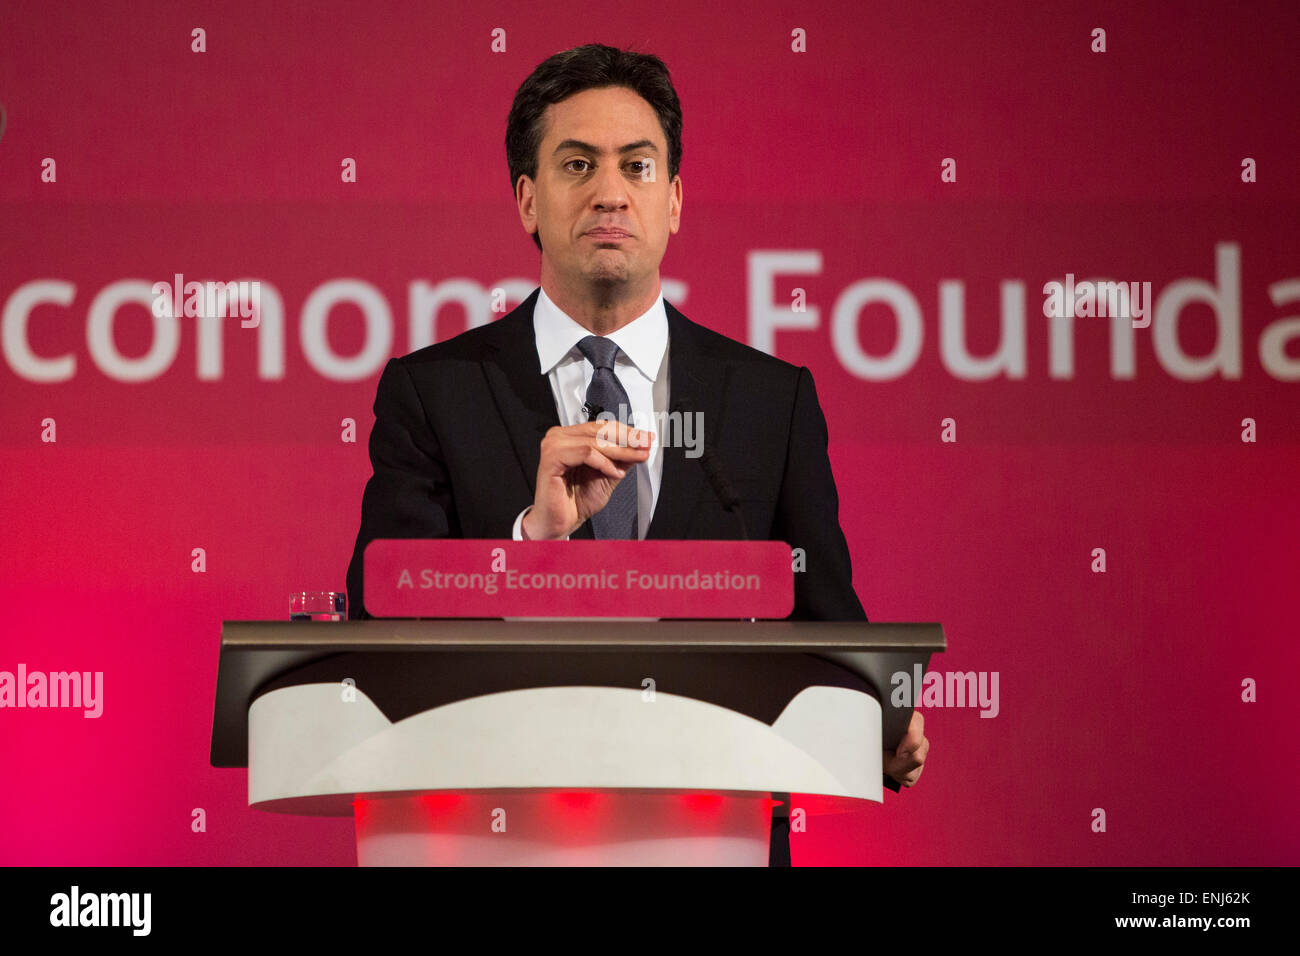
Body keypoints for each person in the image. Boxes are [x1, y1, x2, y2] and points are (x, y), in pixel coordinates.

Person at [345, 43, 927, 865]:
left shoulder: (769, 399)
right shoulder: (434, 391)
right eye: (576, 164)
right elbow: (378, 622)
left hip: (714, 836)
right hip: (494, 836)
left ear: (676, 199)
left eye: (639, 166)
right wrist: (529, 544)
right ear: (527, 201)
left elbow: (830, 625)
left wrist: (882, 710)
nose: (611, 193)